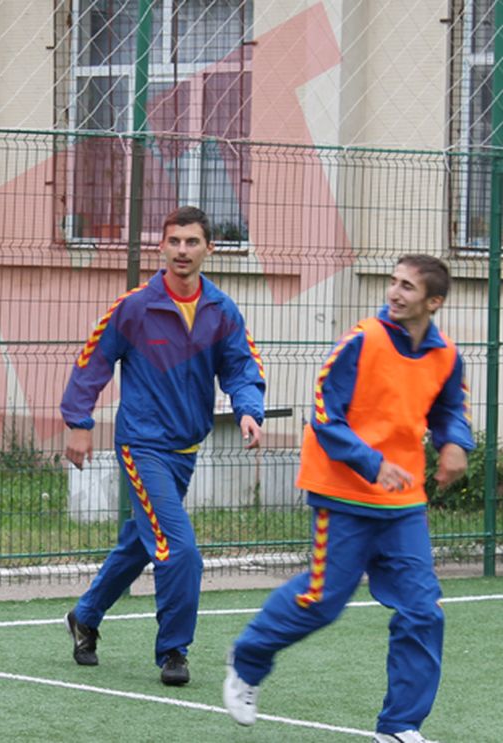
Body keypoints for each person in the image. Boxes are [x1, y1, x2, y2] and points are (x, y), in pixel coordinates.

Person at [224, 255, 472, 743]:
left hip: (402, 504)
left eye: (408, 286)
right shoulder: (362, 340)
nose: (395, 293)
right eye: (393, 282)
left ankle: (399, 727)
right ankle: (248, 660)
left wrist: (455, 444)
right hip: (343, 492)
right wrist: (372, 462)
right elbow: (323, 415)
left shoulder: (447, 356)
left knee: (423, 611)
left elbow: (450, 409)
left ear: (434, 301)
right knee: (322, 601)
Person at [60, 206, 265, 686]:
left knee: (140, 541)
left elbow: (241, 368)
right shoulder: (135, 306)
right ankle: (173, 651)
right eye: (174, 241)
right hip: (141, 446)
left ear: (208, 249)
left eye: (192, 242)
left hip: (186, 449)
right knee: (178, 548)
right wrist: (78, 422)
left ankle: (85, 615)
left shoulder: (221, 311)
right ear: (162, 247)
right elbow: (93, 361)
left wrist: (248, 410)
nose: (182, 251)